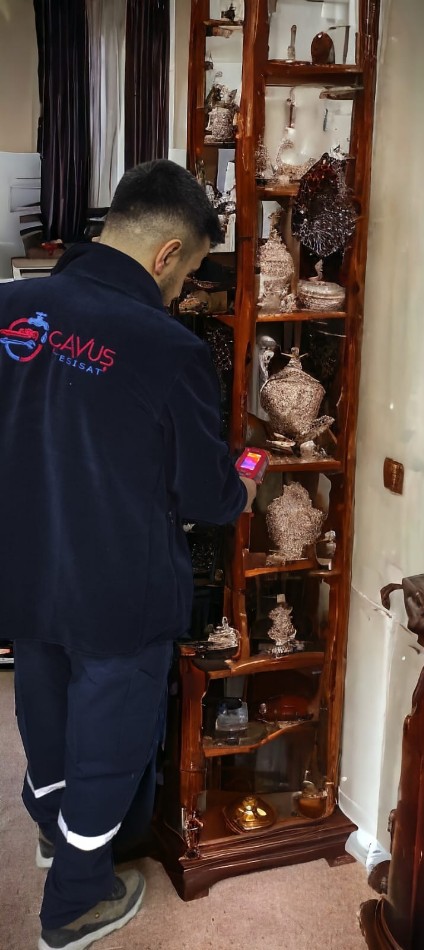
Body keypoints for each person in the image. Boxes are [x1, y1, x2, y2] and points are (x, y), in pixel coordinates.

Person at [0, 159, 256, 950]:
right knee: (109, 744)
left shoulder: (9, 306)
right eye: (189, 275)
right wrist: (246, 477)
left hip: (22, 566)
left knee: (44, 711)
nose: (181, 293)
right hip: (119, 585)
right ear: (166, 253)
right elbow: (208, 496)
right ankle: (74, 906)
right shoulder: (165, 346)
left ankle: (53, 837)